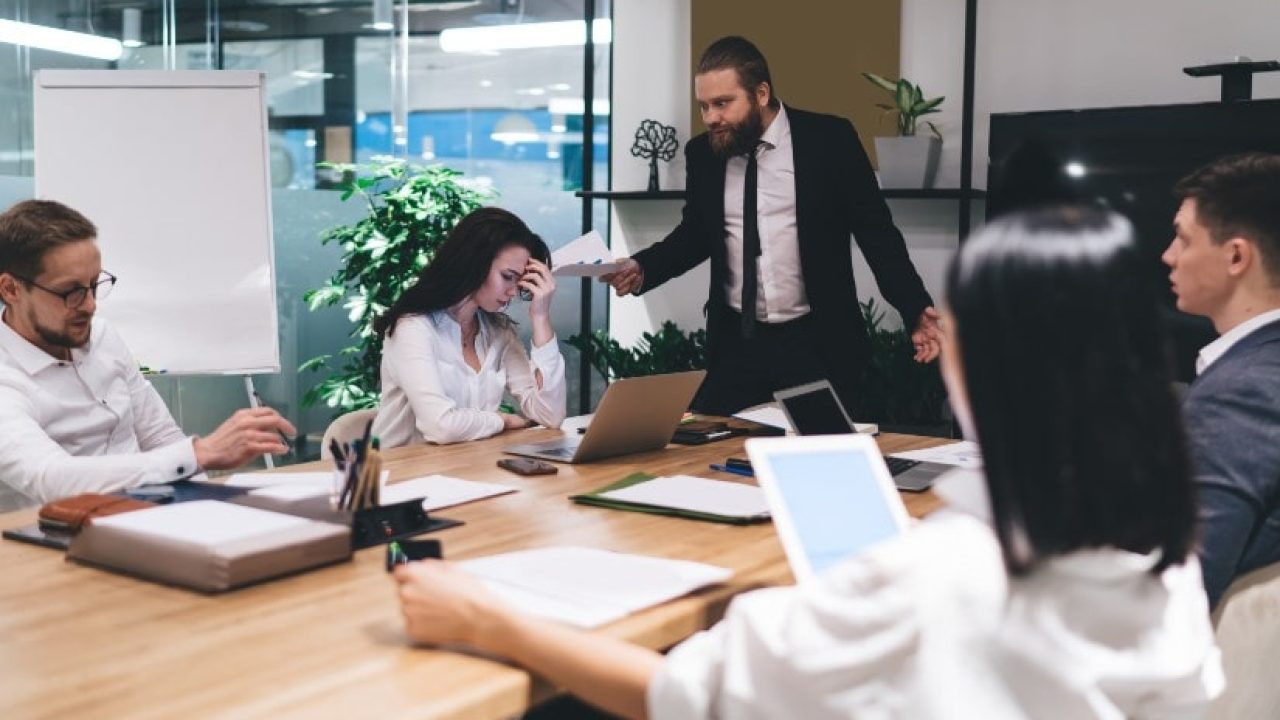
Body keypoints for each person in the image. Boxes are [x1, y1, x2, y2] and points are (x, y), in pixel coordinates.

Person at [392, 206, 1222, 719]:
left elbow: (687, 698)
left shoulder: (935, 580)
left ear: (984, 363)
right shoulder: (1162, 553)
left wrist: (485, 620)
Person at [601, 36, 943, 416]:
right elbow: (697, 233)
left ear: (761, 93)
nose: (711, 117)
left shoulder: (830, 141)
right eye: (704, 106)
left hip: (815, 340)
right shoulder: (704, 153)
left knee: (820, 458)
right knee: (723, 462)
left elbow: (878, 235)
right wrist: (644, 267)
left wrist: (914, 308)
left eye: (722, 103)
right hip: (736, 344)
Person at [0, 199, 295, 506]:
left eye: (94, 284)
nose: (90, 305)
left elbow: (161, 437)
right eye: (70, 292)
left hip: (146, 515)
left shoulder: (102, 336)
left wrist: (206, 506)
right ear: (11, 290)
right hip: (58, 534)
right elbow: (51, 478)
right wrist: (198, 454)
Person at [1162, 152, 1280, 608]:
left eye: (1182, 238)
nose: (1168, 255)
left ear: (1235, 256)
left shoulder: (1241, 394)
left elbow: (1177, 595)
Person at [371, 207, 565, 446]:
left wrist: (541, 316)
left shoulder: (498, 331)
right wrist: (500, 420)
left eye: (519, 281)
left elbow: (550, 415)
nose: (514, 291)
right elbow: (440, 427)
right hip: (399, 474)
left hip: (466, 469)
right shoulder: (413, 328)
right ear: (474, 262)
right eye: (507, 276)